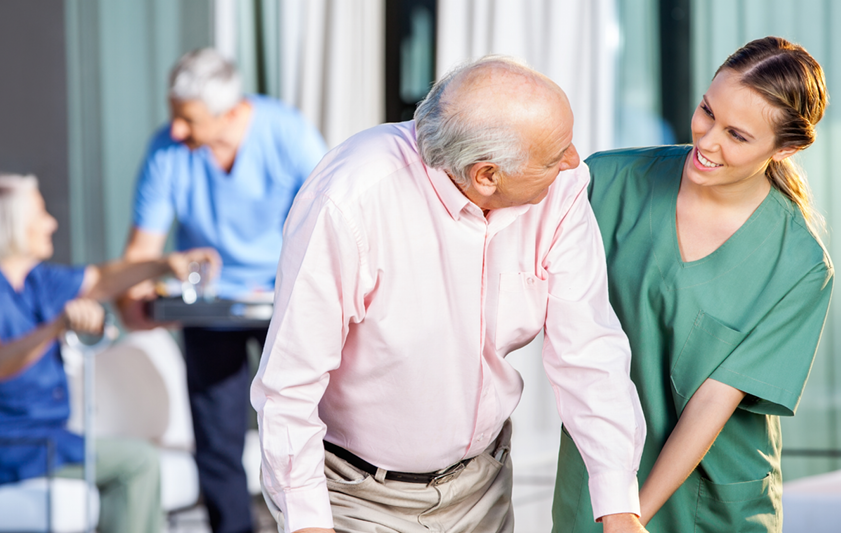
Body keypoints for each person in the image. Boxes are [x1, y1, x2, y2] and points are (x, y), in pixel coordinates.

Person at [251, 56, 648, 533]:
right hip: (355, 495)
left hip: (483, 485)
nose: (573, 161)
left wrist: (618, 508)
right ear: (486, 175)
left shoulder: (561, 190)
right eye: (554, 155)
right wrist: (308, 525)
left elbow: (589, 354)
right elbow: (288, 386)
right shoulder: (350, 199)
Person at [551, 36, 833, 533]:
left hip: (715, 502)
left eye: (737, 136)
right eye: (707, 111)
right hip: (599, 485)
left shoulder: (800, 264)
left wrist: (629, 516)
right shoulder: (607, 183)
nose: (706, 141)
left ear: (785, 148)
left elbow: (712, 403)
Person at [117, 48, 328, 533]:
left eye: (187, 120)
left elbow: (331, 223)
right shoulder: (167, 152)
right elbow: (141, 251)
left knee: (306, 427)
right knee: (216, 443)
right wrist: (137, 303)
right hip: (212, 310)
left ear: (230, 112)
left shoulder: (288, 135)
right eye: (174, 118)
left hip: (286, 302)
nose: (176, 131)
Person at [0, 174, 216, 533]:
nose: (51, 223)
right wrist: (56, 327)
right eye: (40, 214)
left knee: (138, 459)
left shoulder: (36, 279)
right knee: (138, 462)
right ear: (10, 225)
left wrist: (164, 265)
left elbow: (101, 280)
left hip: (40, 438)